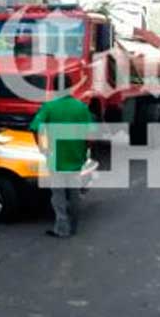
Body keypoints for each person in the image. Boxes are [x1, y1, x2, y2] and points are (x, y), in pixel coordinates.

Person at [29, 74, 95, 238]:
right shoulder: (81, 108)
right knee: (74, 194)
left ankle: (61, 228)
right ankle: (74, 227)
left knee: (57, 196)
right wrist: (84, 151)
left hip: (55, 158)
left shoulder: (49, 107)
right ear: (71, 88)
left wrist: (42, 148)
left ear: (55, 88)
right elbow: (90, 137)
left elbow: (35, 128)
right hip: (75, 158)